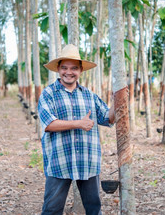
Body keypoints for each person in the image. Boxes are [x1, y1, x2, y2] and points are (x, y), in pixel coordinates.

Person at [38, 44, 115, 215]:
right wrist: (78, 123)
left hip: (87, 160)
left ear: (80, 70)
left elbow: (107, 118)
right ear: (58, 69)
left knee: (94, 208)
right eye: (64, 67)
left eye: (74, 68)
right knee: (51, 209)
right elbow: (48, 124)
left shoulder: (89, 95)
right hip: (60, 160)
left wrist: (116, 102)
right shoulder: (48, 94)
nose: (69, 72)